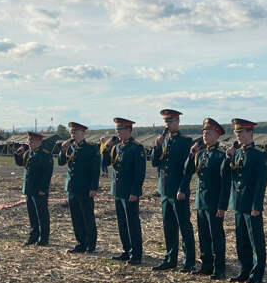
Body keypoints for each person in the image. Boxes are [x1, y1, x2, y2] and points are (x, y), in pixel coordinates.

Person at [179, 118, 230, 280]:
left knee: (216, 236)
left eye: (208, 132)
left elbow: (225, 184)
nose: (205, 135)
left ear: (217, 134)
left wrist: (222, 206)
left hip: (214, 203)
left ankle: (219, 268)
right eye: (203, 132)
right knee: (203, 235)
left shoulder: (220, 156)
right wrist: (191, 153)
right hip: (201, 201)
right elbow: (188, 171)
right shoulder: (201, 154)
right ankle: (206, 265)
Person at [224, 119, 267, 283]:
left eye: (241, 132)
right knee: (241, 240)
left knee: (255, 240)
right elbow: (228, 175)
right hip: (238, 203)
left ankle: (257, 274)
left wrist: (257, 205)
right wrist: (228, 157)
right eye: (236, 132)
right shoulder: (237, 153)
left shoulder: (259, 155)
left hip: (251, 205)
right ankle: (244, 270)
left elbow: (260, 183)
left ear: (250, 133)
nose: (238, 135)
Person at [151, 109, 196, 272]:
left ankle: (189, 261)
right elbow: (155, 163)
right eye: (166, 122)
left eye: (171, 121)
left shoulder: (186, 141)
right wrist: (156, 146)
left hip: (179, 191)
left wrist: (183, 188)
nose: (168, 125)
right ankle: (170, 258)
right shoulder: (162, 141)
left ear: (177, 122)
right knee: (168, 227)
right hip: (165, 190)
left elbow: (188, 169)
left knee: (184, 226)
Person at [102, 118, 146, 265]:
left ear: (128, 130)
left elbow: (139, 173)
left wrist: (135, 191)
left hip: (129, 192)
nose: (118, 133)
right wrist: (106, 148)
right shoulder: (117, 147)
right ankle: (126, 250)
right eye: (117, 130)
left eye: (120, 130)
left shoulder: (136, 148)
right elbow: (107, 163)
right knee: (122, 223)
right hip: (118, 191)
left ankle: (136, 253)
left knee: (132, 223)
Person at [58, 122, 100, 254]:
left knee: (87, 218)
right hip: (72, 188)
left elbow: (95, 170)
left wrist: (93, 187)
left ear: (82, 133)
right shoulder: (71, 148)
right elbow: (61, 162)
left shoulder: (91, 149)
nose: (73, 135)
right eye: (71, 132)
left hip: (85, 189)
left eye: (75, 132)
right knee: (76, 218)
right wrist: (63, 150)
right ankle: (81, 243)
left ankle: (91, 245)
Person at [14, 131, 53, 246]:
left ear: (39, 141)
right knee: (32, 214)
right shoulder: (29, 153)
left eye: (32, 140)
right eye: (29, 140)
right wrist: (17, 154)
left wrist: (43, 188)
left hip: (39, 189)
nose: (29, 143)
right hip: (29, 188)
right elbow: (21, 164)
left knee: (42, 215)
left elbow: (47, 174)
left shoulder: (45, 154)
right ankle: (33, 236)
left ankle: (43, 238)